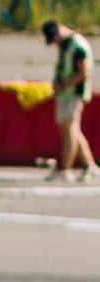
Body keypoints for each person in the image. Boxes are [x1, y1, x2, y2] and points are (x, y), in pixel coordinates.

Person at [43, 18, 93, 178]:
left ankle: (65, 168)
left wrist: (64, 83)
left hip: (75, 92)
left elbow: (83, 74)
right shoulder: (65, 45)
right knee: (70, 130)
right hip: (65, 93)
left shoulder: (78, 46)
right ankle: (90, 166)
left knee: (70, 128)